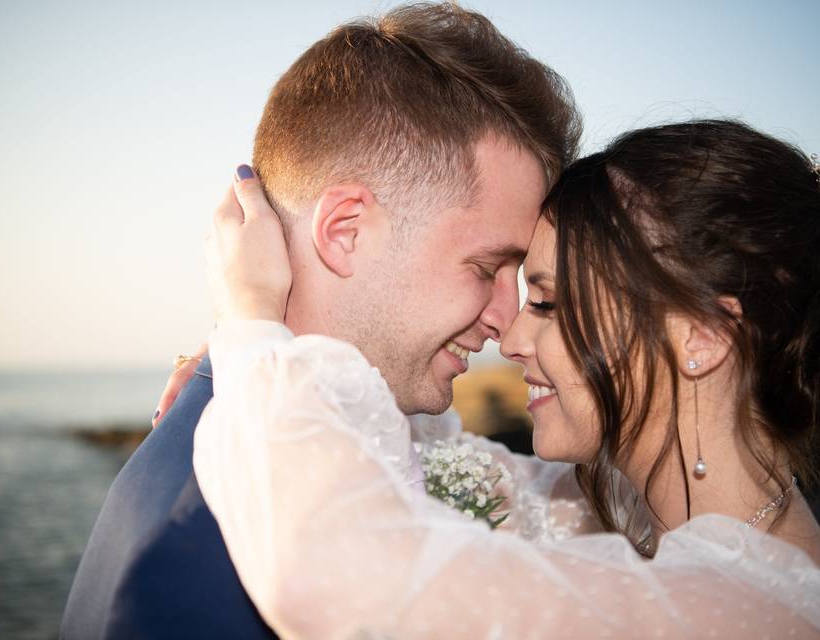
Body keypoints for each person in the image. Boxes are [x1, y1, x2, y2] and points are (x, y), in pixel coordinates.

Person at [192, 119, 820, 638]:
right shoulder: (630, 521)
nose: (508, 337)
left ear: (703, 336)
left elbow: (349, 582)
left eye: (547, 301)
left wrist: (252, 331)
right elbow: (437, 464)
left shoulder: (744, 613)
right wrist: (266, 359)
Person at [61, 4, 580, 638]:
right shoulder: (203, 550)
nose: (507, 319)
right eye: (487, 266)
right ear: (345, 231)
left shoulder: (346, 439)